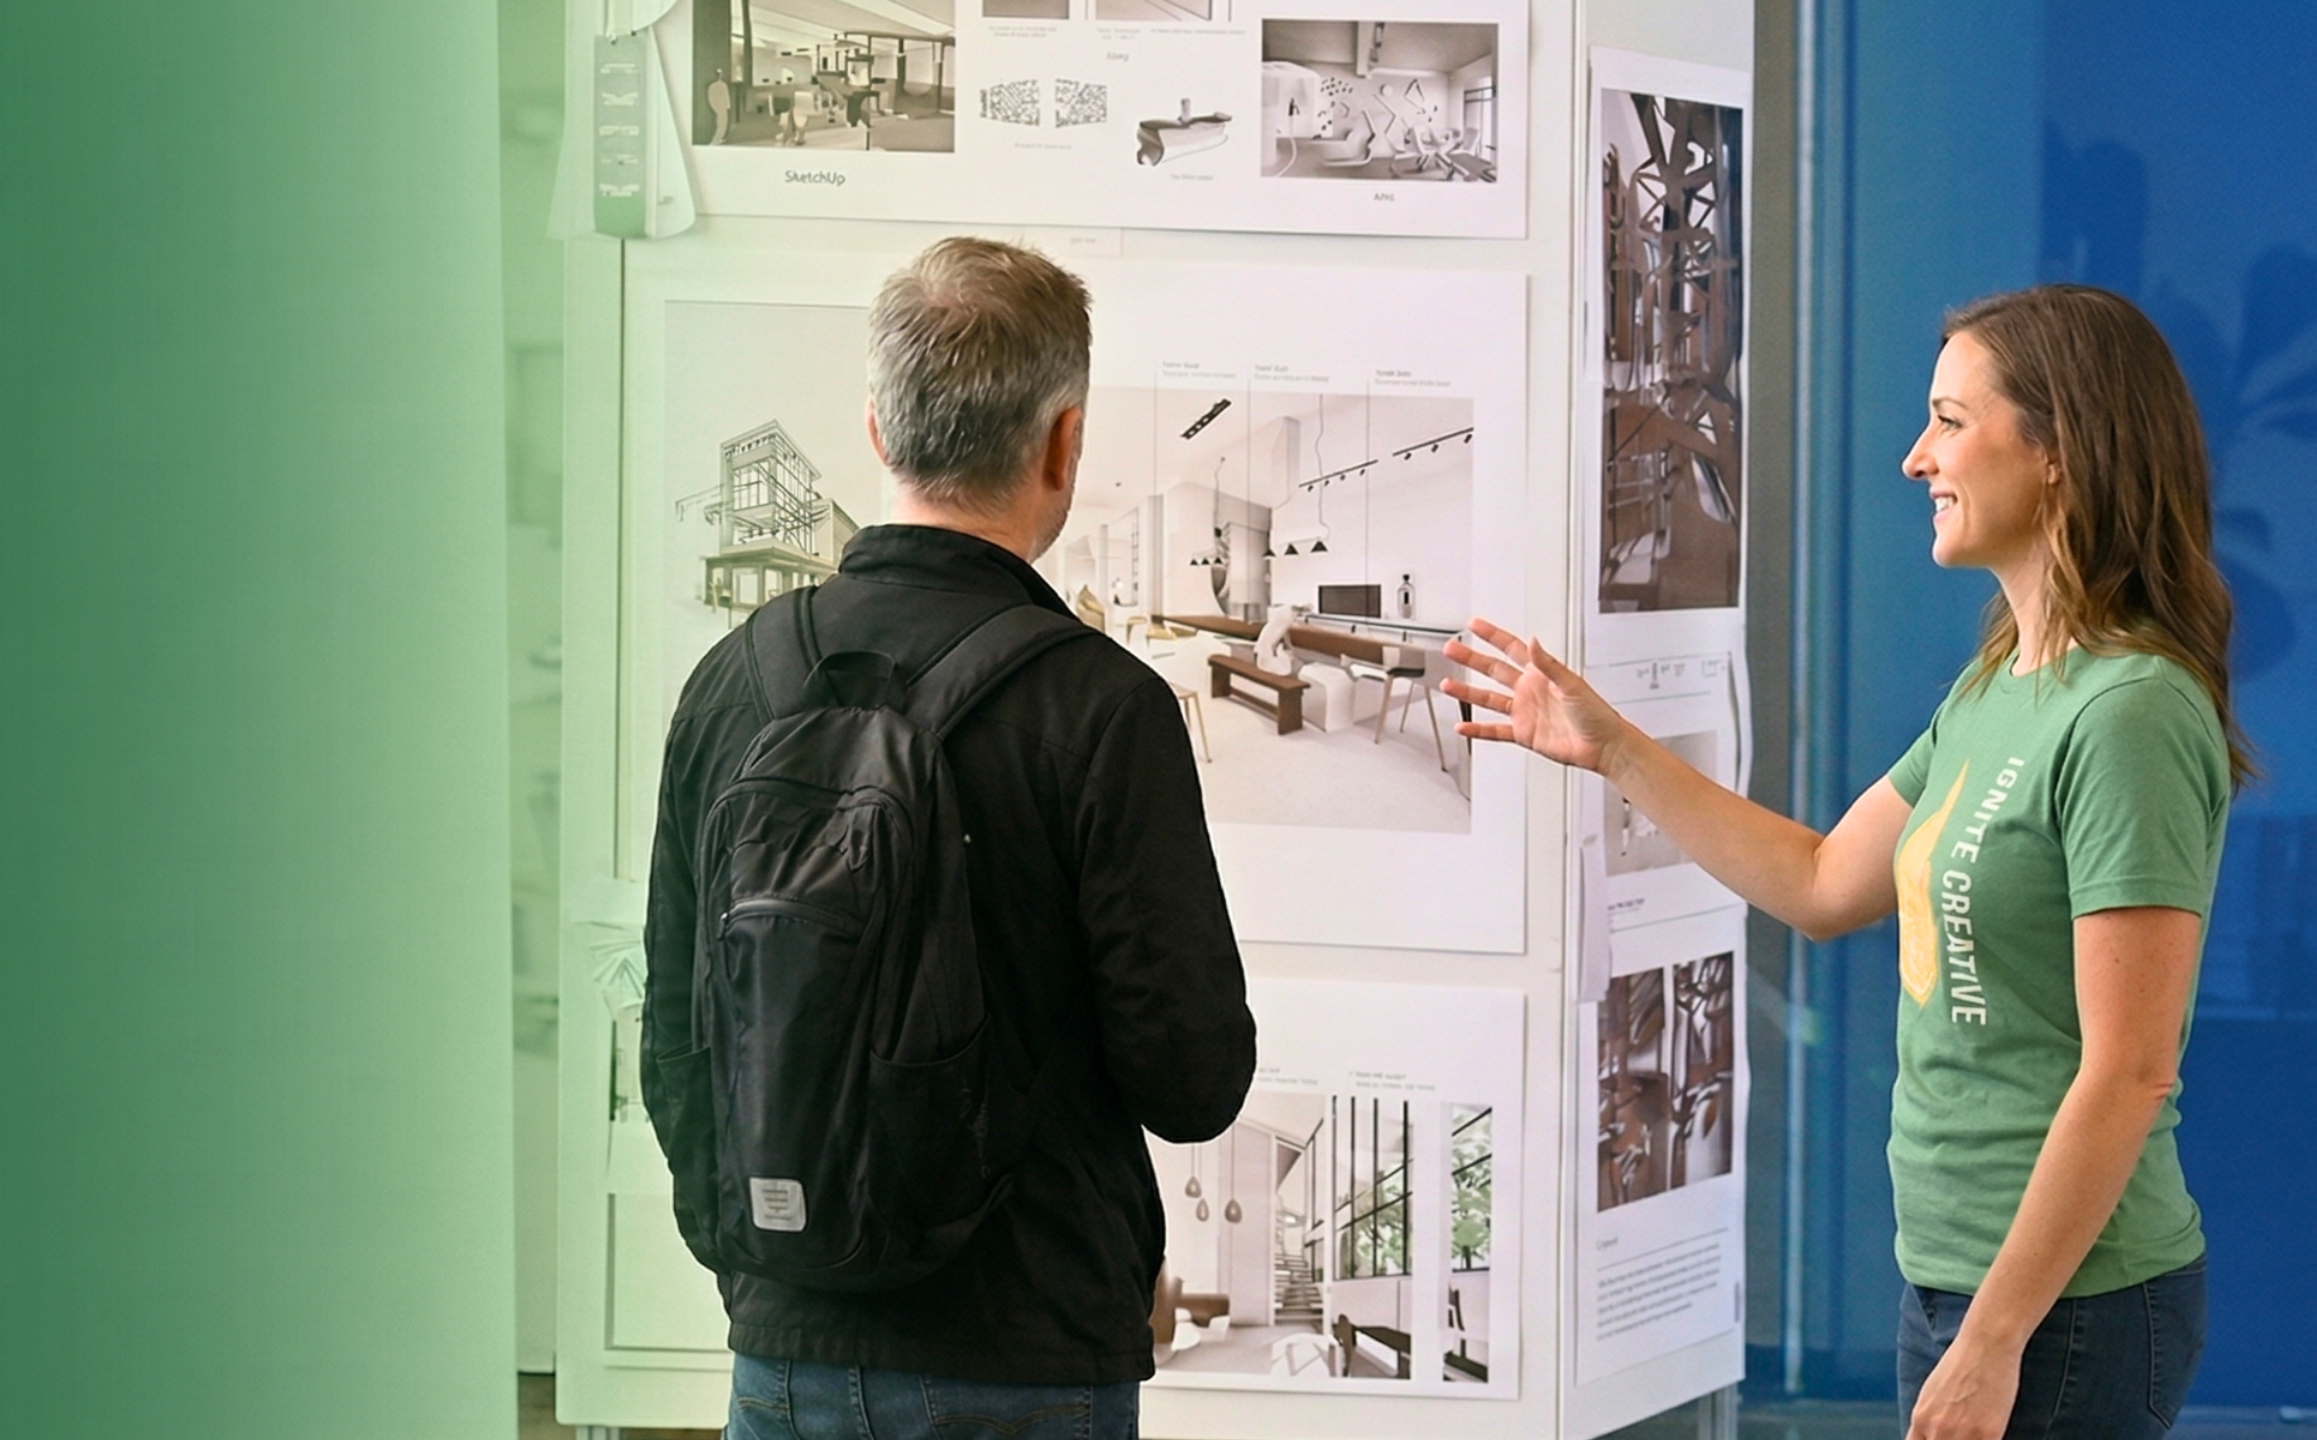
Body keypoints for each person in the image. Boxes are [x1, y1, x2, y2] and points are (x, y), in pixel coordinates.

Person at [1446, 284, 2236, 1440]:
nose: (1917, 458)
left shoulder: (2131, 713)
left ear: (2062, 449)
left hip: (2068, 1307)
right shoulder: (2001, 686)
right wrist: (1610, 749)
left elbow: (2130, 1070)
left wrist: (1995, 1341)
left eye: (1950, 422)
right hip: (1952, 1281)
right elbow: (1821, 883)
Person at [643, 237, 1256, 1440]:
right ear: (1063, 442)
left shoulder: (733, 682)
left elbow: (679, 1034)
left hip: (785, 1341)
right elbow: (1190, 1081)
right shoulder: (1102, 706)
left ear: (876, 429)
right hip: (1031, 1354)